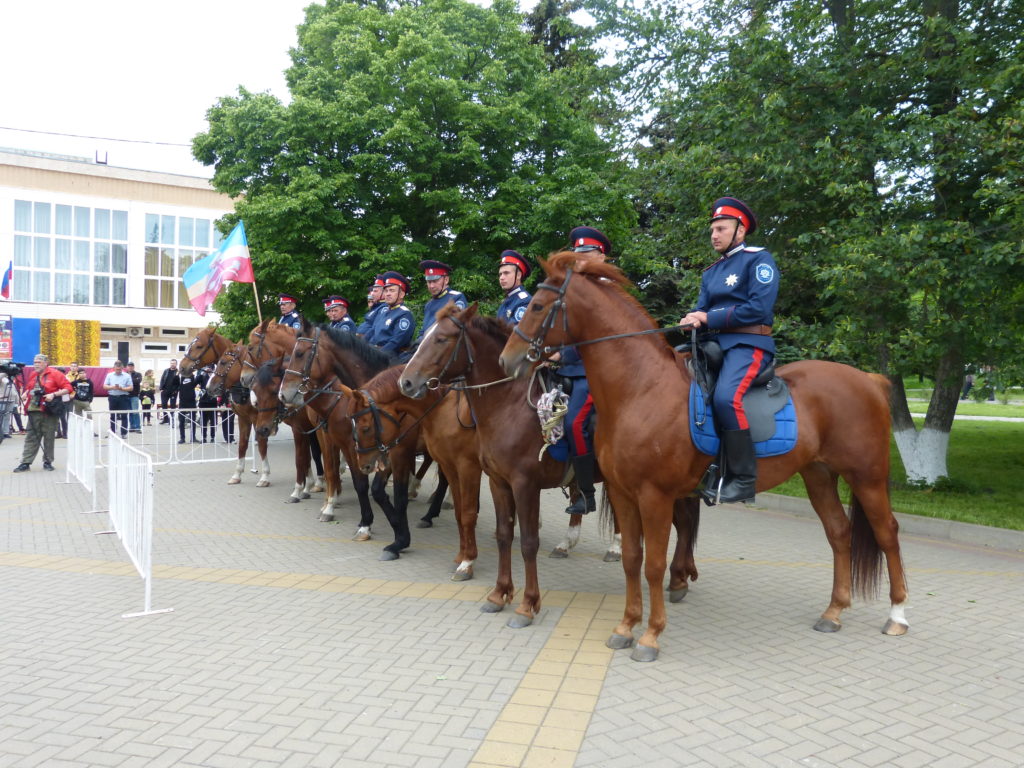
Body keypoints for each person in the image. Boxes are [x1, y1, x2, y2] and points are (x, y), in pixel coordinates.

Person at [679, 197, 779, 504]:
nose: (714, 235)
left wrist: (709, 318)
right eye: (712, 229)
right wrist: (691, 319)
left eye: (721, 228)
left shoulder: (758, 261)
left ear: (740, 230)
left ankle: (744, 479)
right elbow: (702, 307)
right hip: (713, 344)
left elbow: (758, 308)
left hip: (748, 343)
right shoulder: (711, 272)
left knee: (726, 397)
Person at [555, 226, 613, 515]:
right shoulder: (577, 289)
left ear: (600, 257)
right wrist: (554, 354)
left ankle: (586, 494)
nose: (578, 261)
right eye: (576, 256)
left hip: (594, 373)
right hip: (568, 368)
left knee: (574, 423)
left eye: (585, 255)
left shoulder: (607, 289)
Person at [13, 354, 72, 472]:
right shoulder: (33, 374)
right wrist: (26, 393)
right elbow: (30, 387)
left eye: (39, 362)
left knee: (49, 437)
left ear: (46, 363)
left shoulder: (55, 374)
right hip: (33, 410)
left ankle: (48, 461)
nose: (36, 364)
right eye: (35, 362)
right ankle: (25, 462)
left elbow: (68, 388)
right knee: (31, 437)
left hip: (49, 411)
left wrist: (54, 394)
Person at [365, 271, 416, 355]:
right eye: (386, 291)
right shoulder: (383, 312)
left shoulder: (404, 314)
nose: (388, 294)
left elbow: (395, 343)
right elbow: (372, 332)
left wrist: (374, 355)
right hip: (375, 353)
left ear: (401, 294)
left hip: (391, 358)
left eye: (392, 291)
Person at [416, 260, 468, 341]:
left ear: (446, 280)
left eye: (435, 281)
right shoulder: (428, 305)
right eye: (429, 282)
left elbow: (454, 328)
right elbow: (423, 331)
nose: (431, 286)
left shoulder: (457, 297)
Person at [496, 250, 533, 325]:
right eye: (500, 274)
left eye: (506, 273)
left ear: (518, 275)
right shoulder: (508, 300)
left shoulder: (525, 301)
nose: (501, 277)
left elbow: (512, 333)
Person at [103, 360, 133, 438]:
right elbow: (104, 386)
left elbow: (131, 388)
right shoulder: (109, 375)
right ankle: (113, 432)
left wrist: (122, 388)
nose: (118, 371)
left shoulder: (127, 375)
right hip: (112, 397)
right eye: (117, 369)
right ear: (114, 368)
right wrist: (113, 387)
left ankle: (124, 433)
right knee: (113, 415)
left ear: (122, 368)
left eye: (120, 369)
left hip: (123, 397)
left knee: (124, 415)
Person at [196, 365, 219, 442]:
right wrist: (202, 373)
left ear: (212, 369)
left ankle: (213, 437)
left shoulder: (214, 377)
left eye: (209, 368)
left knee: (213, 421)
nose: (208, 369)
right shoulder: (202, 376)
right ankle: (204, 437)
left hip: (212, 402)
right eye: (207, 368)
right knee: (203, 421)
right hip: (203, 402)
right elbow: (195, 382)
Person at [177, 366, 199, 444]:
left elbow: (197, 381)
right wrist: (177, 373)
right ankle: (182, 438)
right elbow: (174, 382)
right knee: (181, 421)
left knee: (193, 420)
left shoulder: (193, 377)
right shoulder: (180, 377)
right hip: (182, 401)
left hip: (192, 401)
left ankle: (193, 437)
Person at [158, 359, 179, 423]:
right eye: (171, 363)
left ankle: (172, 419)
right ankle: (165, 419)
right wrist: (161, 388)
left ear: (176, 364)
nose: (172, 364)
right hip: (165, 391)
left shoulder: (178, 371)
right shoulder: (166, 371)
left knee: (173, 406)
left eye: (174, 363)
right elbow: (162, 379)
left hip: (173, 392)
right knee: (164, 405)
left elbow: (179, 382)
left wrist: (176, 390)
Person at [126, 361, 143, 432]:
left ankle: (138, 427)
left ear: (133, 367)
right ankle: (132, 426)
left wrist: (128, 380)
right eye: (129, 366)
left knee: (135, 412)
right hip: (126, 395)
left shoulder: (138, 374)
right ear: (127, 367)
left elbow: (137, 382)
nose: (130, 367)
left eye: (131, 366)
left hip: (134, 396)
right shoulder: (124, 374)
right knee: (130, 412)